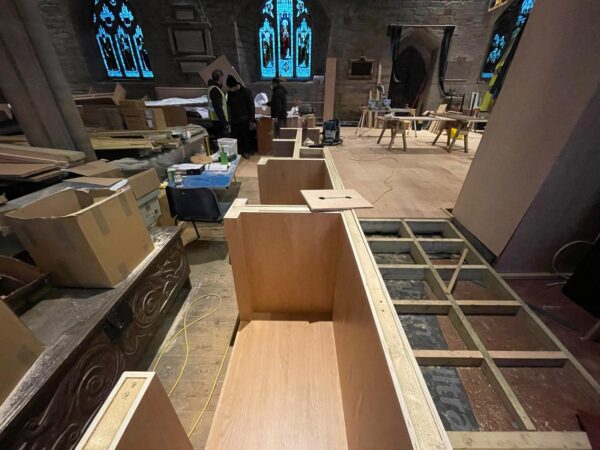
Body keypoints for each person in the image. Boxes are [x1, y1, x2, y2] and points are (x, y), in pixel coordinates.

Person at [226, 75, 255, 159]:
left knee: (245, 137)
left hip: (244, 119)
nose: (230, 89)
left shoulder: (246, 92)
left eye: (231, 87)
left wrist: (251, 119)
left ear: (235, 86)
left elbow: (251, 106)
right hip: (234, 120)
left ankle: (246, 152)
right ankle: (237, 153)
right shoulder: (230, 93)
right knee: (235, 137)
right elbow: (229, 106)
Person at [207, 69, 229, 139]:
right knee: (223, 139)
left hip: (215, 118)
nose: (223, 79)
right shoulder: (215, 90)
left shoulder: (211, 88)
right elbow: (218, 107)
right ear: (220, 78)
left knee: (220, 138)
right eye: (222, 77)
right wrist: (224, 122)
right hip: (218, 119)